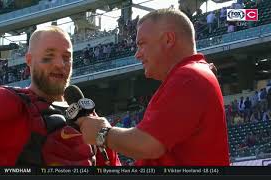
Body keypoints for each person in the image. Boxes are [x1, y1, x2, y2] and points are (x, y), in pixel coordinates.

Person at [75, 8, 230, 166]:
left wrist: (102, 133)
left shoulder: (188, 76)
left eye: (142, 44)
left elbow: (148, 144)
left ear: (168, 39)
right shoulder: (193, 74)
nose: (137, 54)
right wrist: (104, 146)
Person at [0, 26, 120, 166]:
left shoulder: (90, 117)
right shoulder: (6, 100)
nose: (60, 64)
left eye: (67, 58)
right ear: (29, 61)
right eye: (48, 57)